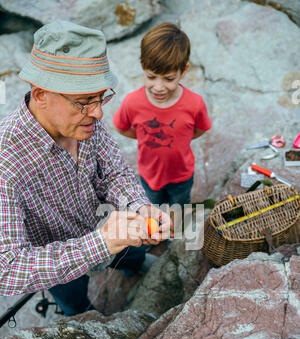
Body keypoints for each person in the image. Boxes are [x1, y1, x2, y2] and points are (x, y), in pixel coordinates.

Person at [0, 20, 172, 317]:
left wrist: (140, 207)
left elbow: (115, 173)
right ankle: (83, 315)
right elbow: (9, 267)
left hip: (108, 224)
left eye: (100, 97)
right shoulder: (5, 164)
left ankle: (134, 264)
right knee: (75, 303)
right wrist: (101, 243)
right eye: (83, 101)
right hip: (62, 265)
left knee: (132, 251)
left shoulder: (83, 118)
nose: (98, 112)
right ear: (41, 94)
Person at [113, 22, 212, 207]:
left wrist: (181, 137)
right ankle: (160, 234)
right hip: (148, 176)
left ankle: (176, 228)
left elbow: (200, 129)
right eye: (151, 77)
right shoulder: (132, 102)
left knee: (179, 206)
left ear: (183, 71)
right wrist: (144, 135)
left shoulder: (195, 104)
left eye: (169, 79)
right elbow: (121, 127)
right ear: (142, 67)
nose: (158, 87)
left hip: (182, 175)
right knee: (153, 208)